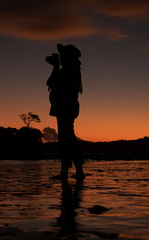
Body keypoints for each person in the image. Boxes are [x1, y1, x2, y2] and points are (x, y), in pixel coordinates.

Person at [46, 44, 85, 181]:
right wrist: (56, 67)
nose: (61, 57)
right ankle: (69, 172)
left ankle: (76, 171)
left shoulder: (71, 70)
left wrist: (56, 67)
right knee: (65, 139)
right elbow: (51, 82)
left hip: (66, 107)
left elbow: (54, 83)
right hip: (64, 107)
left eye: (63, 55)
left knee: (68, 139)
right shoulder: (69, 69)